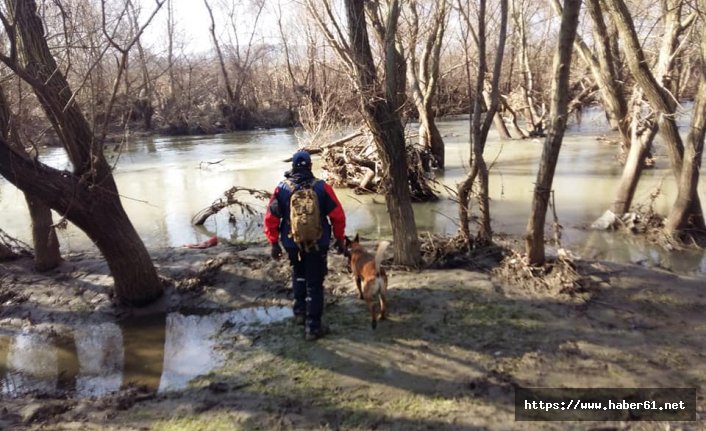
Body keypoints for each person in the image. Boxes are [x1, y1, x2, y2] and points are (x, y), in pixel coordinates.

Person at [264, 150, 346, 341]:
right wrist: (340, 239)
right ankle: (313, 327)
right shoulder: (322, 187)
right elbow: (338, 216)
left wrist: (273, 243)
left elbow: (271, 218)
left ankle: (300, 312)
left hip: (291, 243)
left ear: (292, 167)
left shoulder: (282, 189)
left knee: (298, 274)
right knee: (315, 283)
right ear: (310, 166)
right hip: (318, 243)